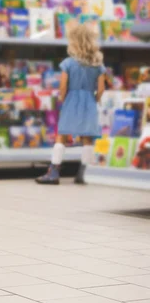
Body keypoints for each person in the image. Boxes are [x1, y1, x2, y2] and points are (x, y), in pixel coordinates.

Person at [36, 24, 106, 185]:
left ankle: (53, 172)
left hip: (71, 100)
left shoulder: (68, 63)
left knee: (62, 134)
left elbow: (63, 85)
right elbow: (101, 88)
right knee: (87, 137)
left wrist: (63, 98)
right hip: (89, 100)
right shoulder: (98, 64)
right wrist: (94, 99)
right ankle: (84, 172)